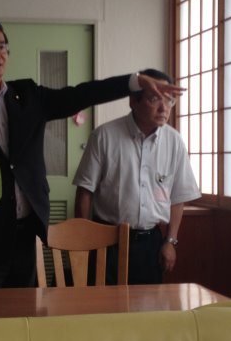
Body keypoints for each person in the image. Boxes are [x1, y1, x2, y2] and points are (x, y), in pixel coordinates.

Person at [0, 19, 182, 289]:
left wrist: (132, 81)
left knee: (26, 314)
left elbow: (81, 95)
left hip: (27, 237)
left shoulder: (28, 95)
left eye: (2, 46)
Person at [73, 68, 201, 284]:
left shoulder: (174, 142)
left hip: (150, 244)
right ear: (133, 101)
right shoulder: (104, 136)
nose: (164, 108)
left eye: (169, 100)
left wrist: (170, 241)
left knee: (148, 303)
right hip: (107, 241)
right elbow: (85, 192)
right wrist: (84, 240)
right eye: (155, 99)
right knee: (103, 302)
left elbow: (178, 197)